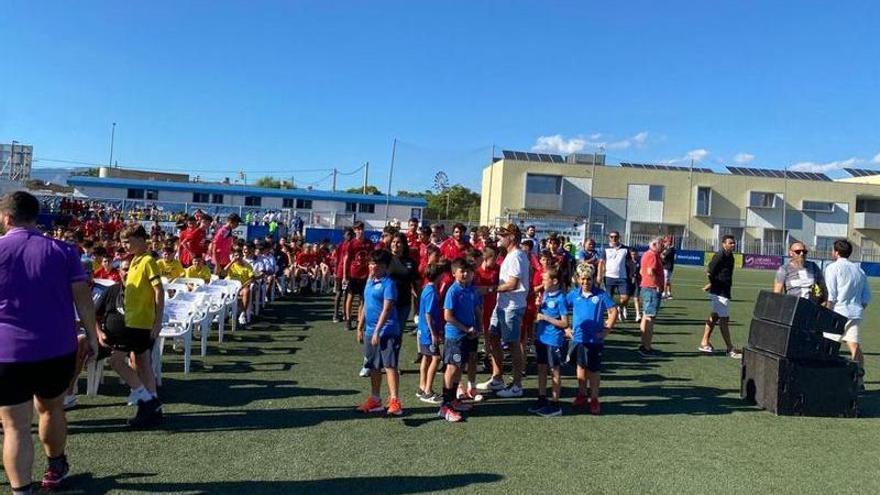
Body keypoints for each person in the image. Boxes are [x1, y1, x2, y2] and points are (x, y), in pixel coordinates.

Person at [0, 191, 98, 493]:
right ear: (35, 217)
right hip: (55, 349)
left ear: (7, 218)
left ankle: (22, 490)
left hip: (6, 353)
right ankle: (55, 467)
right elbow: (83, 302)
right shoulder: (65, 251)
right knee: (52, 409)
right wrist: (93, 338)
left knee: (15, 427)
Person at [117, 224, 165, 427]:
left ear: (140, 239)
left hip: (141, 322)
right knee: (141, 363)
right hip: (132, 320)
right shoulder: (134, 261)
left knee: (118, 360)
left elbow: (159, 290)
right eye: (123, 242)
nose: (125, 245)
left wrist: (158, 321)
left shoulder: (147, 261)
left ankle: (148, 401)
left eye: (128, 241)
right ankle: (152, 405)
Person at [479, 223, 529, 398]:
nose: (499, 237)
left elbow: (513, 284)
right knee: (493, 337)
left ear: (512, 238)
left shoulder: (516, 256)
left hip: (512, 307)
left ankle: (516, 385)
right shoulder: (511, 255)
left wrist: (491, 289)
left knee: (513, 345)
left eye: (503, 235)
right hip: (502, 305)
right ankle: (497, 377)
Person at [355, 250, 403, 416]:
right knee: (374, 366)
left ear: (385, 267)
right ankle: (375, 399)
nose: (372, 267)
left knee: (390, 365)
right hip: (370, 331)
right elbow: (365, 304)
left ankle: (395, 401)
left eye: (376, 264)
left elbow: (387, 308)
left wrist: (377, 331)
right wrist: (360, 326)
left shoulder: (388, 284)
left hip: (387, 330)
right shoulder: (369, 281)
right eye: (371, 263)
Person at [567, 262, 617, 415]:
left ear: (593, 279)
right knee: (580, 367)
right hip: (578, 339)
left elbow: (613, 311)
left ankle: (594, 399)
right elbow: (561, 309)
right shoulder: (574, 294)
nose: (585, 282)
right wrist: (566, 328)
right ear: (578, 279)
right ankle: (582, 395)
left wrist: (606, 330)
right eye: (582, 279)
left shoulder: (601, 294)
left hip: (595, 341)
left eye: (588, 279)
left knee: (594, 370)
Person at [438, 258, 481, 422]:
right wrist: (465, 329)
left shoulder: (471, 290)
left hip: (468, 335)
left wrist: (477, 328)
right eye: (462, 271)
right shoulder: (453, 291)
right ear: (454, 273)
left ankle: (454, 400)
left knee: (460, 367)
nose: (465, 274)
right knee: (452, 368)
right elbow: (447, 316)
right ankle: (445, 405)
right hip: (455, 336)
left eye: (469, 271)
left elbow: (477, 309)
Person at [824, 239, 871, 389]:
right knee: (854, 346)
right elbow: (866, 297)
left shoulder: (832, 268)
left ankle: (828, 378)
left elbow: (831, 295)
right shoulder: (859, 270)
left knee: (828, 347)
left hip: (838, 312)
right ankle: (859, 380)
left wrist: (827, 312)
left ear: (836, 252)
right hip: (855, 313)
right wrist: (857, 308)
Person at [529, 267, 569, 417]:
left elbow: (565, 323)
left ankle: (556, 403)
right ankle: (541, 398)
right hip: (541, 338)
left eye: (545, 279)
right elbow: (538, 315)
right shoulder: (545, 294)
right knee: (541, 369)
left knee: (555, 371)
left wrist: (546, 318)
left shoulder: (561, 299)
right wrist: (538, 306)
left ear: (554, 281)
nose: (542, 282)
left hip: (553, 340)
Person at [699, 234, 741, 358]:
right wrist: (712, 284)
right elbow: (709, 271)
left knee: (715, 316)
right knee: (724, 319)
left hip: (724, 290)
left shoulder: (731, 256)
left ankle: (704, 342)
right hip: (719, 292)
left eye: (733, 243)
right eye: (730, 243)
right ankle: (729, 348)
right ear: (723, 244)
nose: (733, 245)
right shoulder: (719, 255)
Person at [416, 264, 444, 404]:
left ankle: (422, 387)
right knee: (436, 358)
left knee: (426, 358)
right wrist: (434, 333)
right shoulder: (432, 292)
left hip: (422, 330)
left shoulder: (426, 288)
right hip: (428, 332)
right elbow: (428, 314)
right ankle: (428, 391)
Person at [344, 221, 374, 331]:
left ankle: (359, 320)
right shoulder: (351, 243)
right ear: (354, 230)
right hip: (353, 274)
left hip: (365, 274)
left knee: (363, 298)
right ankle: (348, 319)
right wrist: (344, 275)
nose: (359, 231)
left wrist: (372, 273)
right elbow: (346, 259)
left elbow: (372, 258)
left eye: (361, 229)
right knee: (350, 297)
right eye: (357, 229)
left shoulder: (369, 243)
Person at [638, 237, 665, 357]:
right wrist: (658, 284)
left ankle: (644, 344)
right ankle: (646, 347)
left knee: (646, 316)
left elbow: (641, 271)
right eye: (661, 244)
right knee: (650, 318)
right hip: (651, 288)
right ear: (655, 244)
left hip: (647, 287)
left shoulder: (647, 255)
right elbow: (650, 271)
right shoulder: (652, 255)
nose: (663, 246)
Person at [598, 231, 630, 320]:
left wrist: (632, 274)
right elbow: (601, 262)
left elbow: (630, 263)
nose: (613, 239)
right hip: (608, 277)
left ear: (619, 237)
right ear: (609, 238)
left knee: (625, 298)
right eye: (611, 237)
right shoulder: (605, 249)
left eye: (615, 237)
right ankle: (610, 317)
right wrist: (599, 275)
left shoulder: (626, 249)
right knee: (609, 299)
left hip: (622, 277)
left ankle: (620, 307)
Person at [225, 247, 255, 325]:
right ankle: (221, 314)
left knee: (247, 291)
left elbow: (251, 279)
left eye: (239, 255)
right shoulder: (231, 265)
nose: (237, 257)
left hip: (242, 286)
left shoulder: (247, 266)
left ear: (242, 256)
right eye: (236, 255)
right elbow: (223, 273)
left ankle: (242, 314)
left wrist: (242, 286)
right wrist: (231, 262)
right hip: (230, 287)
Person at [332, 228, 353, 322]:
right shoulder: (341, 245)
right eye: (347, 234)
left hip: (350, 272)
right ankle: (336, 314)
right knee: (339, 293)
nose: (349, 236)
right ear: (344, 235)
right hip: (341, 272)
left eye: (350, 234)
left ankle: (345, 313)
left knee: (347, 294)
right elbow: (338, 259)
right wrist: (336, 271)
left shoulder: (352, 244)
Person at [627, 247, 642, 322]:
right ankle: (624, 309)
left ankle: (638, 314)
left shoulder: (640, 262)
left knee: (636, 298)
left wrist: (638, 276)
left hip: (637, 282)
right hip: (628, 282)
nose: (633, 255)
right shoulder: (627, 262)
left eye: (635, 254)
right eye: (632, 254)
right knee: (626, 298)